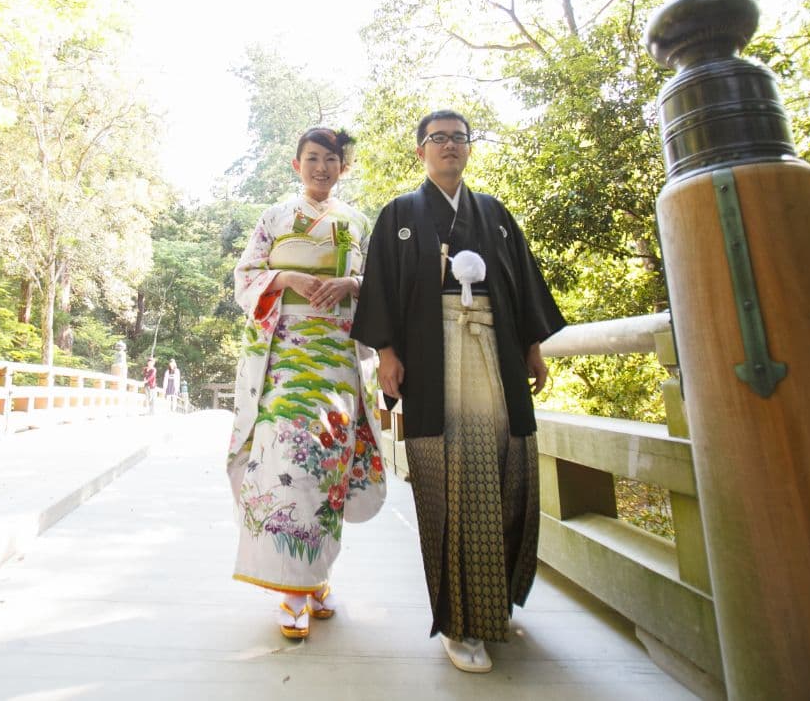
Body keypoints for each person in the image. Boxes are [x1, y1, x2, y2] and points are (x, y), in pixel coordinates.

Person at [351, 109, 565, 673]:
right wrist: (388, 354)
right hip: (432, 359)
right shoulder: (399, 213)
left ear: (469, 149)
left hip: (494, 350)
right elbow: (382, 291)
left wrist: (533, 346)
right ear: (420, 151)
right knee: (453, 481)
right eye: (437, 138)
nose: (448, 146)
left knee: (507, 471)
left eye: (458, 138)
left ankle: (492, 602)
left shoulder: (493, 213)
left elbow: (520, 284)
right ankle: (460, 622)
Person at [227, 127, 386, 641]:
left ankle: (315, 578)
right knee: (285, 465)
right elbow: (246, 274)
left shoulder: (358, 221)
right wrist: (287, 279)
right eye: (312, 158)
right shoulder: (274, 217)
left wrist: (352, 284)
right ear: (296, 164)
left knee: (326, 469)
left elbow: (382, 286)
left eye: (331, 159)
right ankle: (292, 590)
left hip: (336, 361)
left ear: (344, 167)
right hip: (283, 361)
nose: (322, 167)